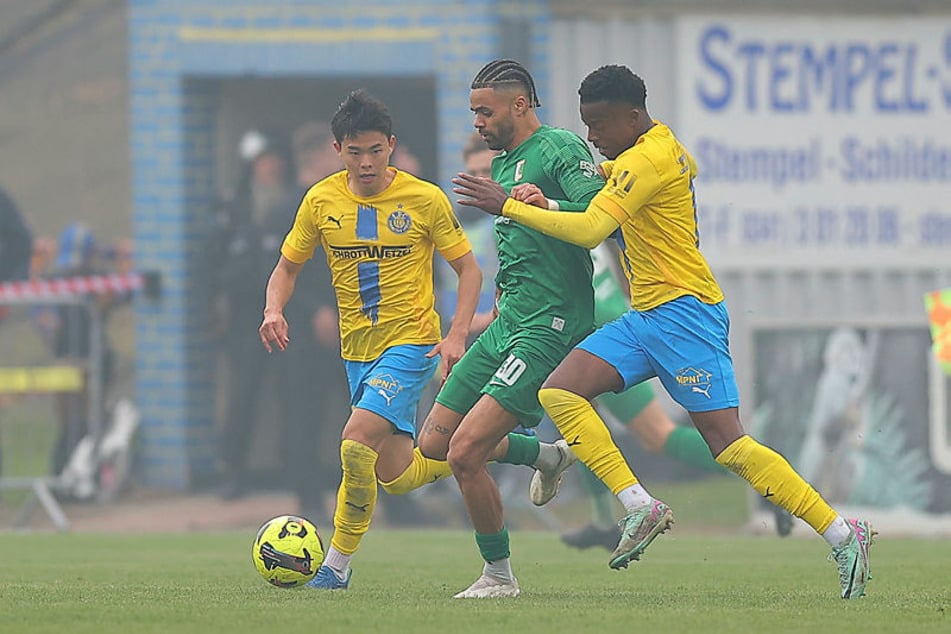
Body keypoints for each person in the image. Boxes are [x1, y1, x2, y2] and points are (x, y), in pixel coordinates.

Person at [454, 64, 875, 600]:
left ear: (633, 116)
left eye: (600, 125)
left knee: (729, 445)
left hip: (687, 315)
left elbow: (589, 230)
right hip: (646, 316)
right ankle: (639, 504)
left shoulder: (647, 158)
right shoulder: (653, 150)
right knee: (559, 390)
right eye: (586, 125)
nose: (591, 139)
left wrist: (508, 203)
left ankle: (843, 533)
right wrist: (556, 199)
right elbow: (667, 174)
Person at [258, 89, 483, 590]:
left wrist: (456, 335)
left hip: (411, 345)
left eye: (376, 150)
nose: (366, 162)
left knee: (355, 442)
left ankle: (335, 566)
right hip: (356, 354)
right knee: (397, 474)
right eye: (355, 151)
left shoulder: (424, 198)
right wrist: (274, 308)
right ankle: (509, 448)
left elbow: (468, 270)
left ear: (392, 146)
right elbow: (286, 267)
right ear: (338, 149)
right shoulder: (320, 200)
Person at [415, 59, 605, 599]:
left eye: (485, 110)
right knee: (435, 443)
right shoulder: (502, 166)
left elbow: (597, 217)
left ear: (520, 105)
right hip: (509, 321)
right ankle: (547, 455)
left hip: (550, 323)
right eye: (473, 110)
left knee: (465, 454)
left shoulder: (560, 149)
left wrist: (546, 203)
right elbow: (519, 246)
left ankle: (499, 576)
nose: (477, 121)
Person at [213, 130, 296, 499]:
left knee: (293, 395)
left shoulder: (294, 201)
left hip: (291, 312)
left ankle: (295, 471)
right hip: (247, 314)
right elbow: (213, 264)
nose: (271, 167)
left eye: (276, 159)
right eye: (264, 160)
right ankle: (234, 472)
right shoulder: (235, 207)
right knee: (243, 396)